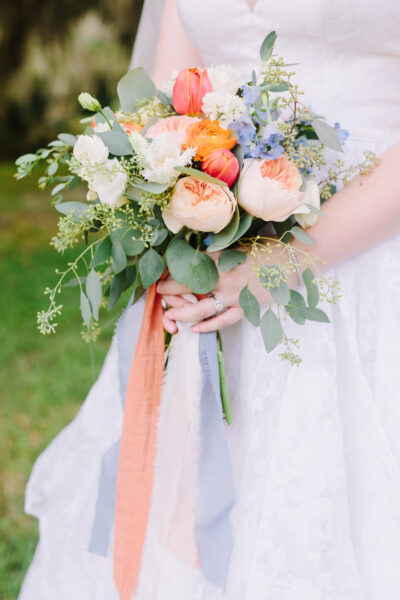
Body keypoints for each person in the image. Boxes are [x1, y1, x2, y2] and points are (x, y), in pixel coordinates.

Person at [19, 0, 400, 598]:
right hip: (216, 257)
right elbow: (170, 100)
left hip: (369, 258)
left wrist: (276, 264)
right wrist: (171, 227)